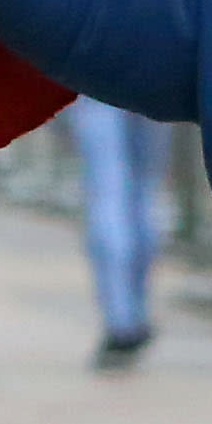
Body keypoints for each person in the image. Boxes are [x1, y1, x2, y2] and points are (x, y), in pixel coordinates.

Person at [70, 101, 166, 366]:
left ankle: (120, 319)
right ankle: (137, 310)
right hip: (152, 84)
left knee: (107, 191)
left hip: (95, 88)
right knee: (144, 192)